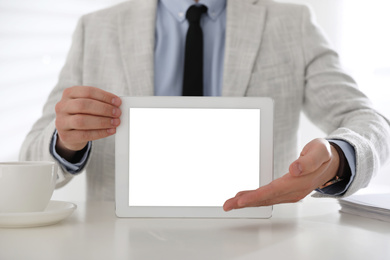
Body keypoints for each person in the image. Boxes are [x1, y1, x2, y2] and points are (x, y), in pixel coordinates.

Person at [20, 0, 390, 208]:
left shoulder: (291, 23)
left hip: (257, 241)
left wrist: (340, 157)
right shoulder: (96, 28)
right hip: (121, 243)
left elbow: (367, 119)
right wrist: (66, 141)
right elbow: (31, 158)